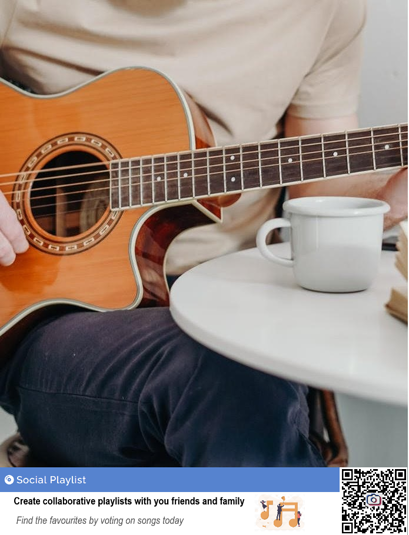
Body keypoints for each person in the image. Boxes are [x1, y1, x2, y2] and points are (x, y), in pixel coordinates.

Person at [0, 0, 406, 467]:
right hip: (54, 322)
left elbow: (318, 186)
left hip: (243, 308)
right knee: (230, 372)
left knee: (246, 363)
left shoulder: (322, 9)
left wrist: (389, 199)